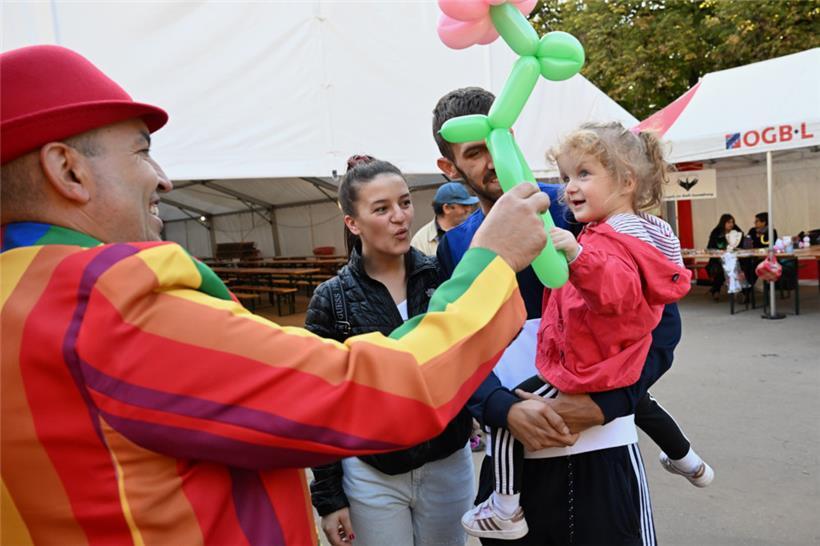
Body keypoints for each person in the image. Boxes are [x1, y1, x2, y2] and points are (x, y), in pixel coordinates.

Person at [0, 45, 553, 544]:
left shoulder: (19, 295)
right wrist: (493, 262)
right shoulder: (103, 300)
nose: (163, 179)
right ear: (67, 170)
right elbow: (368, 394)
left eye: (404, 203)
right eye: (142, 151)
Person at [433, 88, 688, 546]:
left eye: (502, 140)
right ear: (449, 169)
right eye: (475, 152)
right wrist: (501, 408)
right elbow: (455, 343)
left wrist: (608, 403)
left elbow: (661, 325)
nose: (493, 159)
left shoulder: (582, 209)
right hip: (514, 458)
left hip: (603, 449)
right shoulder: (456, 245)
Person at [305, 156, 475, 546]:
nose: (400, 217)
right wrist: (329, 499)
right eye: (381, 209)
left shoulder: (442, 278)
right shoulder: (332, 300)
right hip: (372, 472)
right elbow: (321, 403)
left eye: (404, 202)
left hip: (448, 461)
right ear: (352, 222)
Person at [411, 181, 478, 255]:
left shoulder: (476, 230)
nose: (469, 209)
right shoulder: (420, 241)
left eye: (470, 205)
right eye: (464, 205)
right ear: (446, 208)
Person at [740, 212, 779, 300]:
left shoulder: (771, 231)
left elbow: (771, 245)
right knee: (744, 263)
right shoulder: (752, 230)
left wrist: (756, 241)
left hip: (765, 258)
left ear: (764, 222)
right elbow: (747, 243)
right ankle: (744, 290)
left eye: (757, 221)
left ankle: (745, 292)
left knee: (754, 266)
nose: (755, 223)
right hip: (752, 256)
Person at [706, 213, 744, 301]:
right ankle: (716, 290)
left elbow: (741, 246)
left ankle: (741, 291)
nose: (731, 224)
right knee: (721, 268)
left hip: (735, 259)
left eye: (732, 222)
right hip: (718, 259)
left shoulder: (737, 232)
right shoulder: (716, 232)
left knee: (741, 267)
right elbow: (710, 247)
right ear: (723, 223)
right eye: (728, 222)